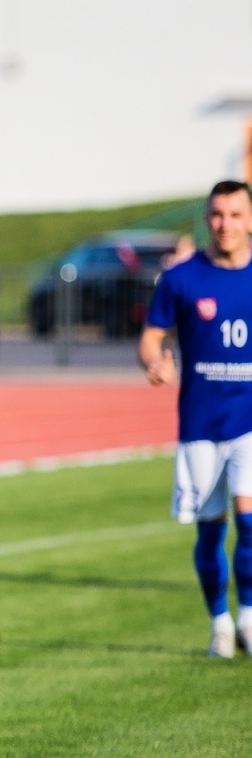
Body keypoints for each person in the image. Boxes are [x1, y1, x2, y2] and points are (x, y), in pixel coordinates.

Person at [138, 180, 252, 658]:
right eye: (217, 215)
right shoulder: (182, 278)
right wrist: (155, 361)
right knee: (211, 531)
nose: (225, 224)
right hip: (200, 425)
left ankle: (248, 615)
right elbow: (152, 336)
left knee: (250, 524)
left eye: (235, 214)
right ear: (207, 219)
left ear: (250, 220)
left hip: (248, 422)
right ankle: (219, 623)